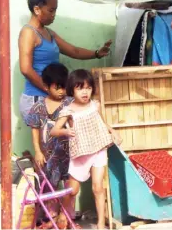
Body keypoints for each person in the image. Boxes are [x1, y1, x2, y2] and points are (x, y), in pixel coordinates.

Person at [19, 0, 112, 121]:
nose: (54, 14)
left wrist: (97, 53)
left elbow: (74, 51)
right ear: (37, 9)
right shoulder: (28, 32)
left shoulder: (49, 33)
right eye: (51, 10)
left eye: (55, 10)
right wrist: (48, 90)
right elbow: (26, 69)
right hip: (36, 98)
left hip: (52, 96)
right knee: (48, 141)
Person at [51, 69, 122, 230]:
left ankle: (100, 224)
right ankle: (64, 214)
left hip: (98, 149)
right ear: (72, 89)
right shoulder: (68, 111)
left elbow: (103, 123)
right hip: (80, 154)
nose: (85, 92)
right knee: (73, 190)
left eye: (88, 88)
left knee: (98, 187)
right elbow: (53, 131)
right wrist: (65, 131)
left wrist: (113, 131)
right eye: (80, 88)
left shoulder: (95, 105)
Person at [24, 63, 73, 228]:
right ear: (46, 86)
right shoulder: (38, 107)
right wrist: (37, 151)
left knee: (70, 186)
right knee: (49, 186)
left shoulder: (70, 104)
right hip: (48, 155)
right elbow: (35, 130)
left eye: (64, 87)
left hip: (70, 154)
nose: (61, 91)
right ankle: (51, 216)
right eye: (57, 87)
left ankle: (65, 216)